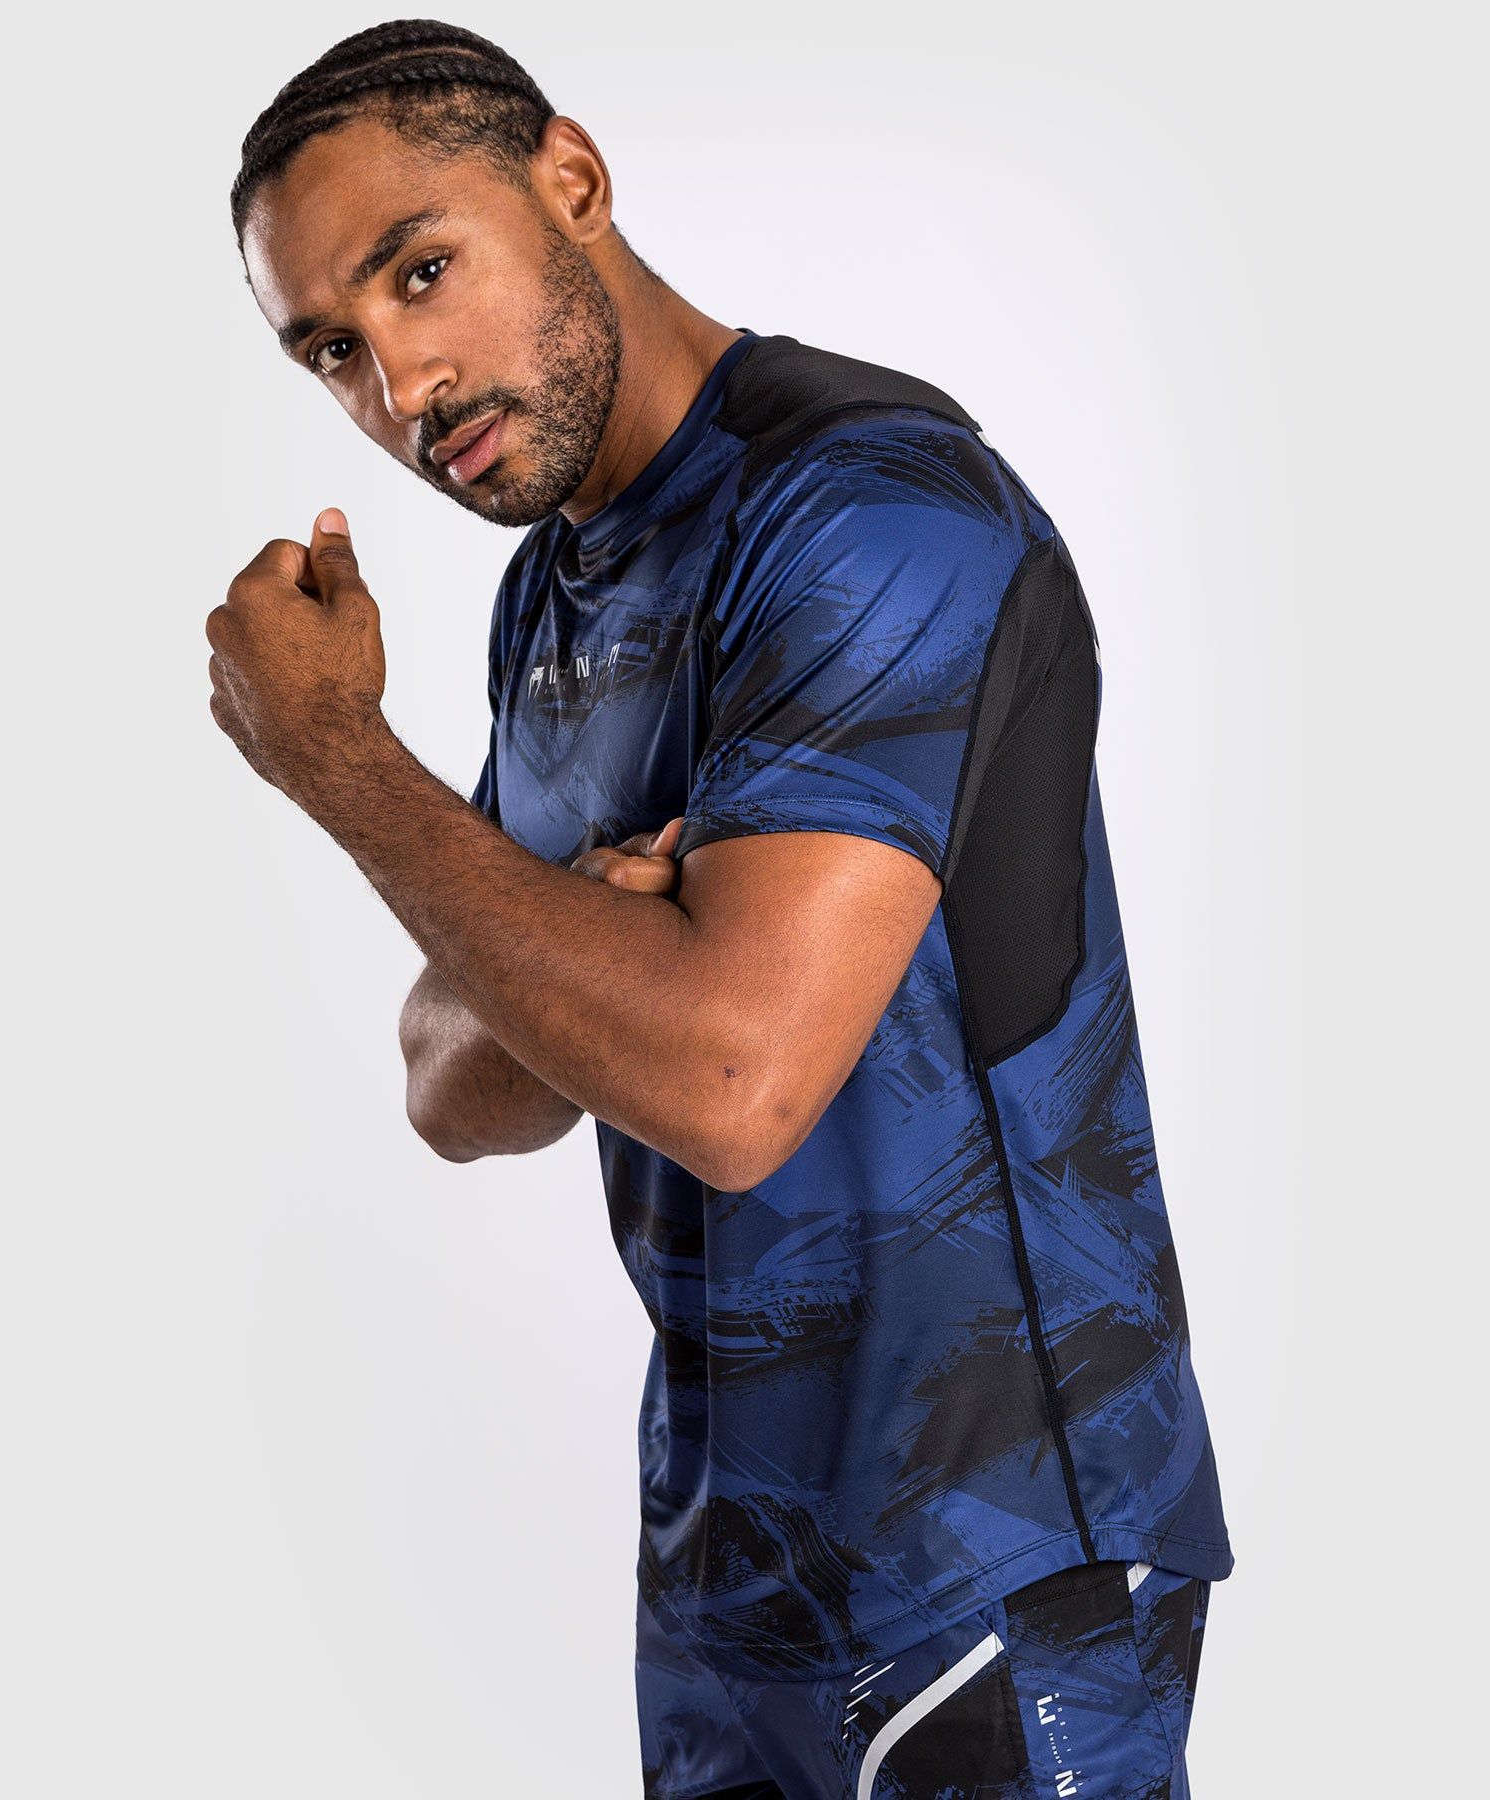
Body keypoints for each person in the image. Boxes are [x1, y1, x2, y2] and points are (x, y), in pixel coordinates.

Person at [211, 20, 1235, 1797]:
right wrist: (592, 936)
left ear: (573, 182)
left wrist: (341, 764)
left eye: (422, 271)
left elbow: (727, 1081)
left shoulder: (872, 510)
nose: (401, 384)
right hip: (733, 1574)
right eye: (332, 349)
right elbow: (456, 1085)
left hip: (993, 1560)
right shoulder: (555, 593)